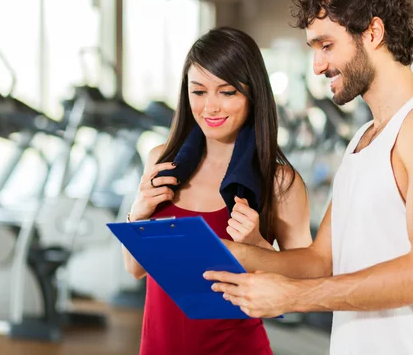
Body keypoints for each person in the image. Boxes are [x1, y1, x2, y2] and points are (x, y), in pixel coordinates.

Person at [205, 0, 413, 355]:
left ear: (373, 32)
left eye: (326, 45)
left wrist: (293, 298)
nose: (318, 66)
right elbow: (322, 260)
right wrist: (236, 254)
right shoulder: (365, 138)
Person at [122, 27, 312, 355]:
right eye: (198, 92)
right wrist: (136, 214)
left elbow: (306, 286)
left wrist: (257, 246)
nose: (210, 107)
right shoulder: (161, 161)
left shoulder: (280, 182)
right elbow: (136, 269)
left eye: (227, 92)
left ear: (252, 95)